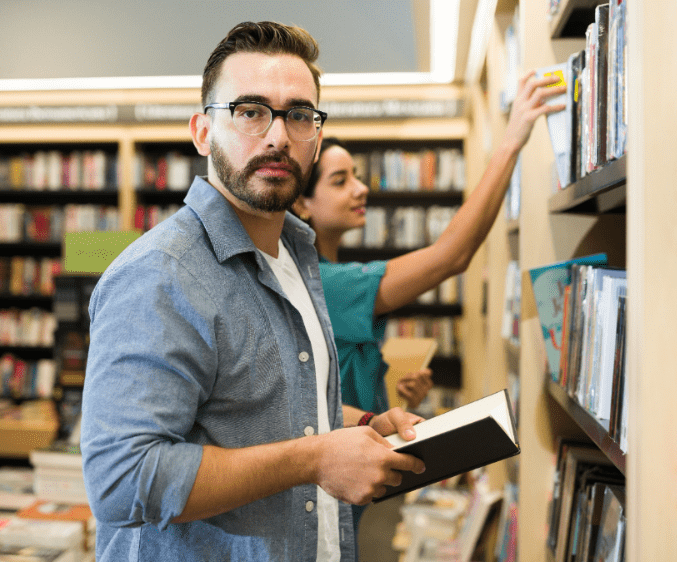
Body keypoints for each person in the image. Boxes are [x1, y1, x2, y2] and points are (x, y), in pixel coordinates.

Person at [80, 21, 426, 562]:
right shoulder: (158, 275)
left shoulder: (296, 254)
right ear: (202, 132)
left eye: (298, 115)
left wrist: (362, 425)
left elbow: (275, 407)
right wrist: (314, 459)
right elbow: (122, 480)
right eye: (249, 111)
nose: (276, 136)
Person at [292, 70, 565, 418]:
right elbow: (450, 256)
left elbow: (339, 398)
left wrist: (394, 394)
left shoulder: (321, 276)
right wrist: (511, 142)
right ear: (301, 204)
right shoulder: (326, 283)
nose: (360, 189)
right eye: (340, 181)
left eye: (357, 176)